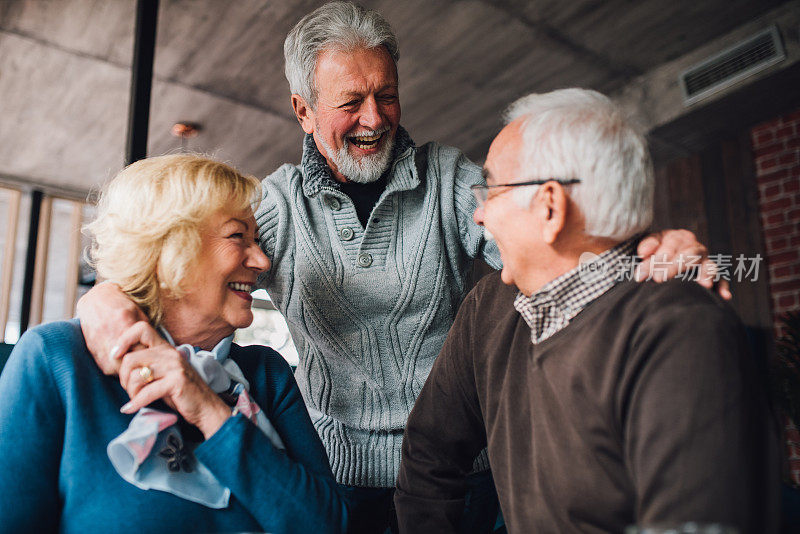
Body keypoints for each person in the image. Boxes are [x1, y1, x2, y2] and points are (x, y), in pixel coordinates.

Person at [76, 4, 725, 532]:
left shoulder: (448, 181)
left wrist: (651, 250)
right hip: (339, 485)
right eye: (350, 101)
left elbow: (553, 251)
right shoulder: (274, 206)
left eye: (387, 95)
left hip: (460, 480)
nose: (375, 118)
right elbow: (182, 254)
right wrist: (101, 300)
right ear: (303, 111)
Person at [394, 89, 779, 533]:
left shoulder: (680, 328)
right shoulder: (488, 310)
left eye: (491, 190)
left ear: (550, 207)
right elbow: (429, 452)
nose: (479, 216)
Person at [0, 155, 347, 533]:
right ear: (170, 250)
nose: (262, 260)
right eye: (237, 237)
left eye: (258, 240)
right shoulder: (55, 358)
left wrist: (209, 411)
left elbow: (328, 526)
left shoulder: (266, 373)